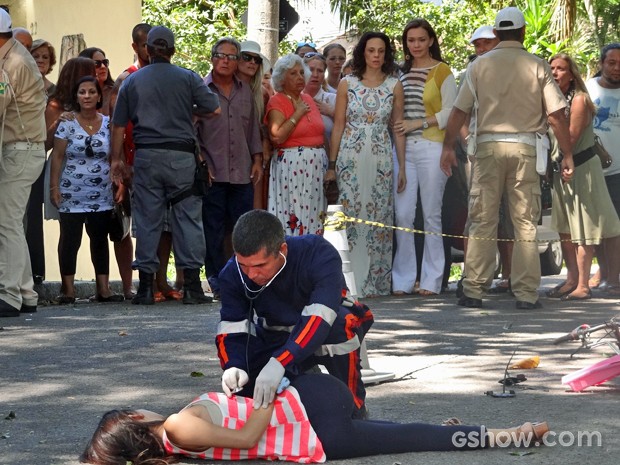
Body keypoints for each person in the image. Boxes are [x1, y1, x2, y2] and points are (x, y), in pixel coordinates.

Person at [80, 373, 550, 464]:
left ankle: (493, 434)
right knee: (408, 436)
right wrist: (264, 386)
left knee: (406, 436)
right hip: (313, 413)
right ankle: (506, 435)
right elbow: (246, 437)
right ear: (136, 421)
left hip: (315, 416)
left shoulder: (179, 441)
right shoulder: (178, 427)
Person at [440, 7, 574, 310]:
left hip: (487, 148)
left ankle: (474, 288)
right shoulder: (538, 65)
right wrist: (566, 153)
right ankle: (526, 293)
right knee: (525, 221)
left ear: (497, 34)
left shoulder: (478, 66)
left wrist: (448, 146)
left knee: (482, 219)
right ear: (524, 32)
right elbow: (556, 115)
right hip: (526, 148)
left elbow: (459, 111)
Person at [216, 210, 373, 419]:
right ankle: (299, 384)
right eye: (244, 265)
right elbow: (232, 325)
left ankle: (355, 407)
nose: (252, 275)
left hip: (325, 329)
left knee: (342, 326)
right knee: (250, 389)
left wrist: (281, 361)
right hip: (276, 334)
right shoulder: (231, 272)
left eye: (260, 265)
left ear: (282, 250)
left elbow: (320, 319)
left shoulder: (318, 253)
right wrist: (234, 364)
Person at [110, 25, 220, 305]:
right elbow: (214, 109)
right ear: (171, 50)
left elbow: (119, 124)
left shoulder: (132, 82)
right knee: (188, 219)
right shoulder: (188, 78)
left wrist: (117, 159)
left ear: (147, 49)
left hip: (147, 157)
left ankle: (146, 287)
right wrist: (187, 111)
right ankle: (193, 287)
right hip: (181, 157)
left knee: (148, 219)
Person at [325, 31, 406, 298]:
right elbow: (338, 125)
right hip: (350, 155)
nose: (376, 56)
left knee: (379, 215)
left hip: (382, 155)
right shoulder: (347, 83)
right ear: (363, 52)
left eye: (381, 51)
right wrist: (332, 165)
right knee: (350, 214)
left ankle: (374, 282)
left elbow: (397, 129)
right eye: (371, 50)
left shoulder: (395, 85)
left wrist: (402, 167)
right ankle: (346, 281)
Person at [391, 19, 457, 297]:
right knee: (403, 215)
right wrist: (402, 157)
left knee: (431, 215)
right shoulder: (400, 74)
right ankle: (403, 280)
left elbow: (451, 113)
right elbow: (396, 119)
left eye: (420, 39)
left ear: (430, 40)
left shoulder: (443, 71)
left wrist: (418, 123)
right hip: (404, 149)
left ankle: (431, 280)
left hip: (433, 147)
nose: (415, 45)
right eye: (410, 40)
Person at [546, 53, 620, 300]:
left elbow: (571, 138)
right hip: (562, 169)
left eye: (561, 69)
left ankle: (583, 285)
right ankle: (571, 280)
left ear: (571, 74)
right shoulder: (552, 98)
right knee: (565, 229)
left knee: (584, 229)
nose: (555, 72)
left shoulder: (579, 100)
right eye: (552, 68)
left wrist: (550, 119)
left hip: (582, 168)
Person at [196, 37, 263, 300]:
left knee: (241, 229)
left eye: (231, 56)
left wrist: (257, 159)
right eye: (220, 55)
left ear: (237, 62)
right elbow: (193, 132)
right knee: (212, 229)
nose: (225, 60)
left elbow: (253, 130)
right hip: (213, 172)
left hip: (242, 172)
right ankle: (216, 280)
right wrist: (202, 162)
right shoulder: (201, 90)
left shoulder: (245, 90)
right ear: (212, 58)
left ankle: (243, 280)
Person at [49, 76, 123, 303]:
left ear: (99, 96)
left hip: (101, 192)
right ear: (77, 97)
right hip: (71, 191)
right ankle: (68, 291)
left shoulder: (109, 123)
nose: (87, 96)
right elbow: (58, 157)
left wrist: (119, 183)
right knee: (70, 240)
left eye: (92, 92)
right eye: (82, 92)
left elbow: (115, 158)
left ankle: (104, 290)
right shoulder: (67, 123)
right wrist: (54, 186)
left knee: (99, 240)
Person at [0, 9, 46, 317]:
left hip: (19, 149)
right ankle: (26, 291)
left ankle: (9, 295)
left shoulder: (11, 64)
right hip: (26, 148)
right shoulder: (14, 55)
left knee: (6, 223)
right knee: (12, 222)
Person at [109, 23, 153, 301]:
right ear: (135, 47)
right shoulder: (126, 79)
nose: (152, 49)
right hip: (131, 160)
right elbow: (117, 124)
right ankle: (129, 286)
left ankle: (158, 282)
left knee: (158, 225)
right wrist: (119, 163)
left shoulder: (172, 76)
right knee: (125, 226)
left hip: (157, 159)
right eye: (147, 44)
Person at [265, 54, 329, 236]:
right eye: (293, 74)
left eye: (302, 72)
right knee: (294, 215)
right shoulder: (277, 100)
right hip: (292, 169)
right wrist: (297, 114)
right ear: (281, 78)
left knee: (315, 216)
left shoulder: (308, 99)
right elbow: (276, 137)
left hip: (316, 169)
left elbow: (321, 133)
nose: (300, 77)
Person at [586, 43, 620, 297]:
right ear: (601, 63)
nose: (617, 69)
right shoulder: (587, 89)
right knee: (596, 227)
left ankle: (613, 278)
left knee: (616, 227)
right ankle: (603, 272)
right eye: (612, 63)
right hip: (591, 169)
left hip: (618, 172)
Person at [24, 38, 58, 286]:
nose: (40, 61)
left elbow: (51, 136)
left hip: (37, 155)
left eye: (44, 57)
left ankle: (36, 272)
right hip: (15, 149)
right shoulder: (19, 84)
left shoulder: (54, 92)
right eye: (35, 55)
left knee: (33, 215)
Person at [236, 39, 272, 210]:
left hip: (255, 157)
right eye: (246, 57)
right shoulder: (221, 87)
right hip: (228, 155)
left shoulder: (262, 93)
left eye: (256, 60)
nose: (251, 62)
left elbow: (267, 125)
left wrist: (264, 145)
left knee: (254, 207)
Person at [303, 52, 337, 143]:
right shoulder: (292, 98)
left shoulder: (334, 99)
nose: (315, 75)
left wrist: (332, 112)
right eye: (311, 70)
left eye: (320, 71)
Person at [78, 47, 115, 116]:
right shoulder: (76, 92)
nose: (103, 66)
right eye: (96, 63)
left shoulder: (115, 91)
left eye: (105, 62)